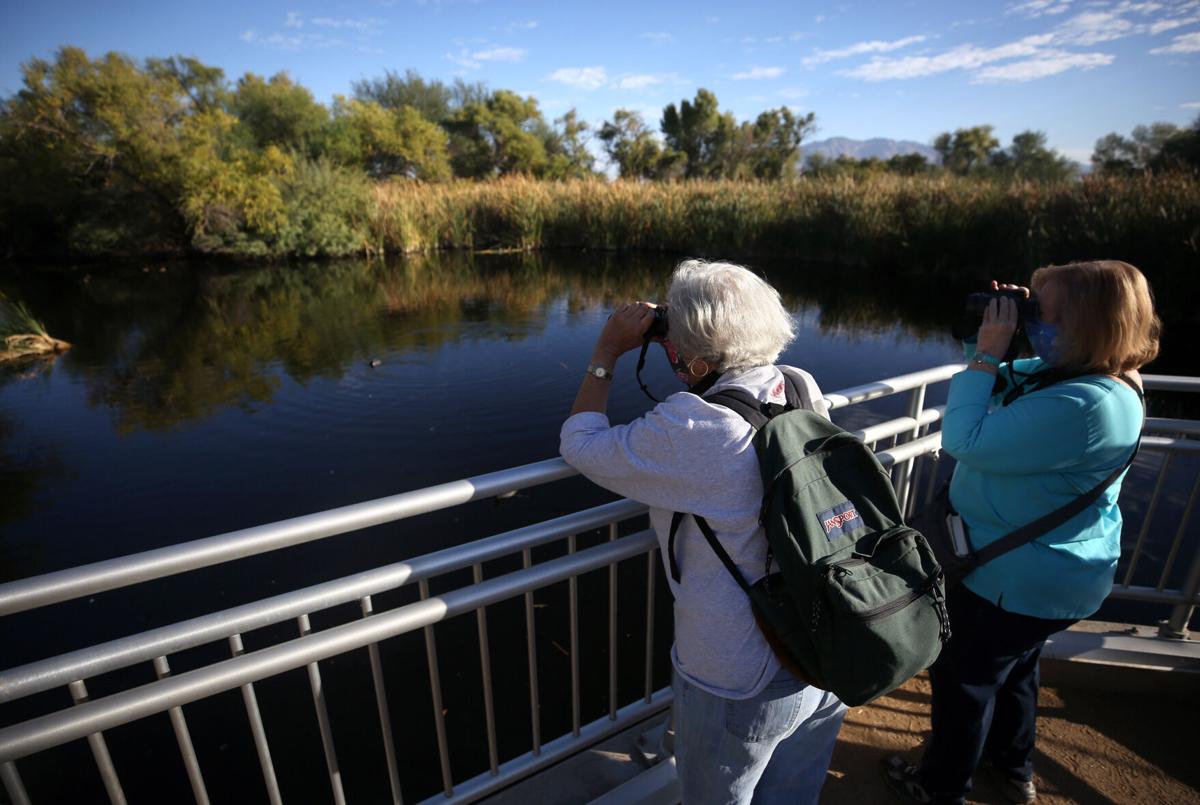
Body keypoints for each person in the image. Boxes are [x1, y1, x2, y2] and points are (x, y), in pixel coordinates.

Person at [559, 259, 847, 805]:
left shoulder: (698, 425)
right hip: (825, 642)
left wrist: (606, 352)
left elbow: (580, 443)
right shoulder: (797, 383)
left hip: (740, 676)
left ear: (691, 358)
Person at [884, 260, 1161, 804]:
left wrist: (988, 353)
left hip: (1010, 577)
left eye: (1042, 315)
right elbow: (1003, 385)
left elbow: (964, 437)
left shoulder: (1087, 404)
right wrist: (984, 343)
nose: (1031, 325)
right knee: (1015, 672)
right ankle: (1012, 768)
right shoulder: (1096, 375)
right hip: (1046, 576)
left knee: (965, 685)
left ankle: (939, 788)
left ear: (1086, 323)